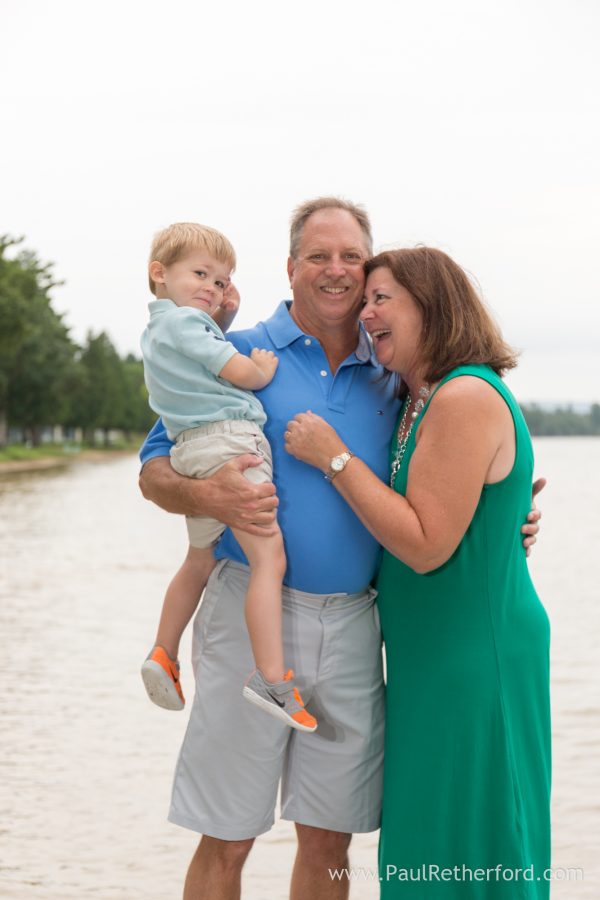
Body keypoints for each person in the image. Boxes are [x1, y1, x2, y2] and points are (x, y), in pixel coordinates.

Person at [138, 199, 544, 900]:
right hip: (249, 613)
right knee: (228, 833)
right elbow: (154, 472)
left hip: (359, 622)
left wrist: (502, 524)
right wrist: (212, 498)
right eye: (318, 256)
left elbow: (444, 481)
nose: (336, 271)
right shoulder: (236, 357)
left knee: (331, 839)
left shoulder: (396, 374)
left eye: (352, 258)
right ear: (291, 266)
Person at [285, 246, 551, 898]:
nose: (365, 311)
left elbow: (428, 544)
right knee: (428, 840)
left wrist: (336, 458)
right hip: (429, 660)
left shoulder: (462, 395)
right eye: (365, 299)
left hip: (474, 661)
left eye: (382, 298)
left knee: (471, 840)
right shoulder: (417, 399)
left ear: (430, 306)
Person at [140, 221, 316, 732]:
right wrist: (259, 369)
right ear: (159, 273)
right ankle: (271, 679)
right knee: (269, 557)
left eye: (220, 281)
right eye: (200, 274)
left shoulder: (158, 330)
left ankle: (164, 652)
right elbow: (233, 371)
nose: (213, 289)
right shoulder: (189, 326)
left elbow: (195, 360)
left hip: (192, 448)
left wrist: (220, 315)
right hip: (230, 444)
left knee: (199, 557)